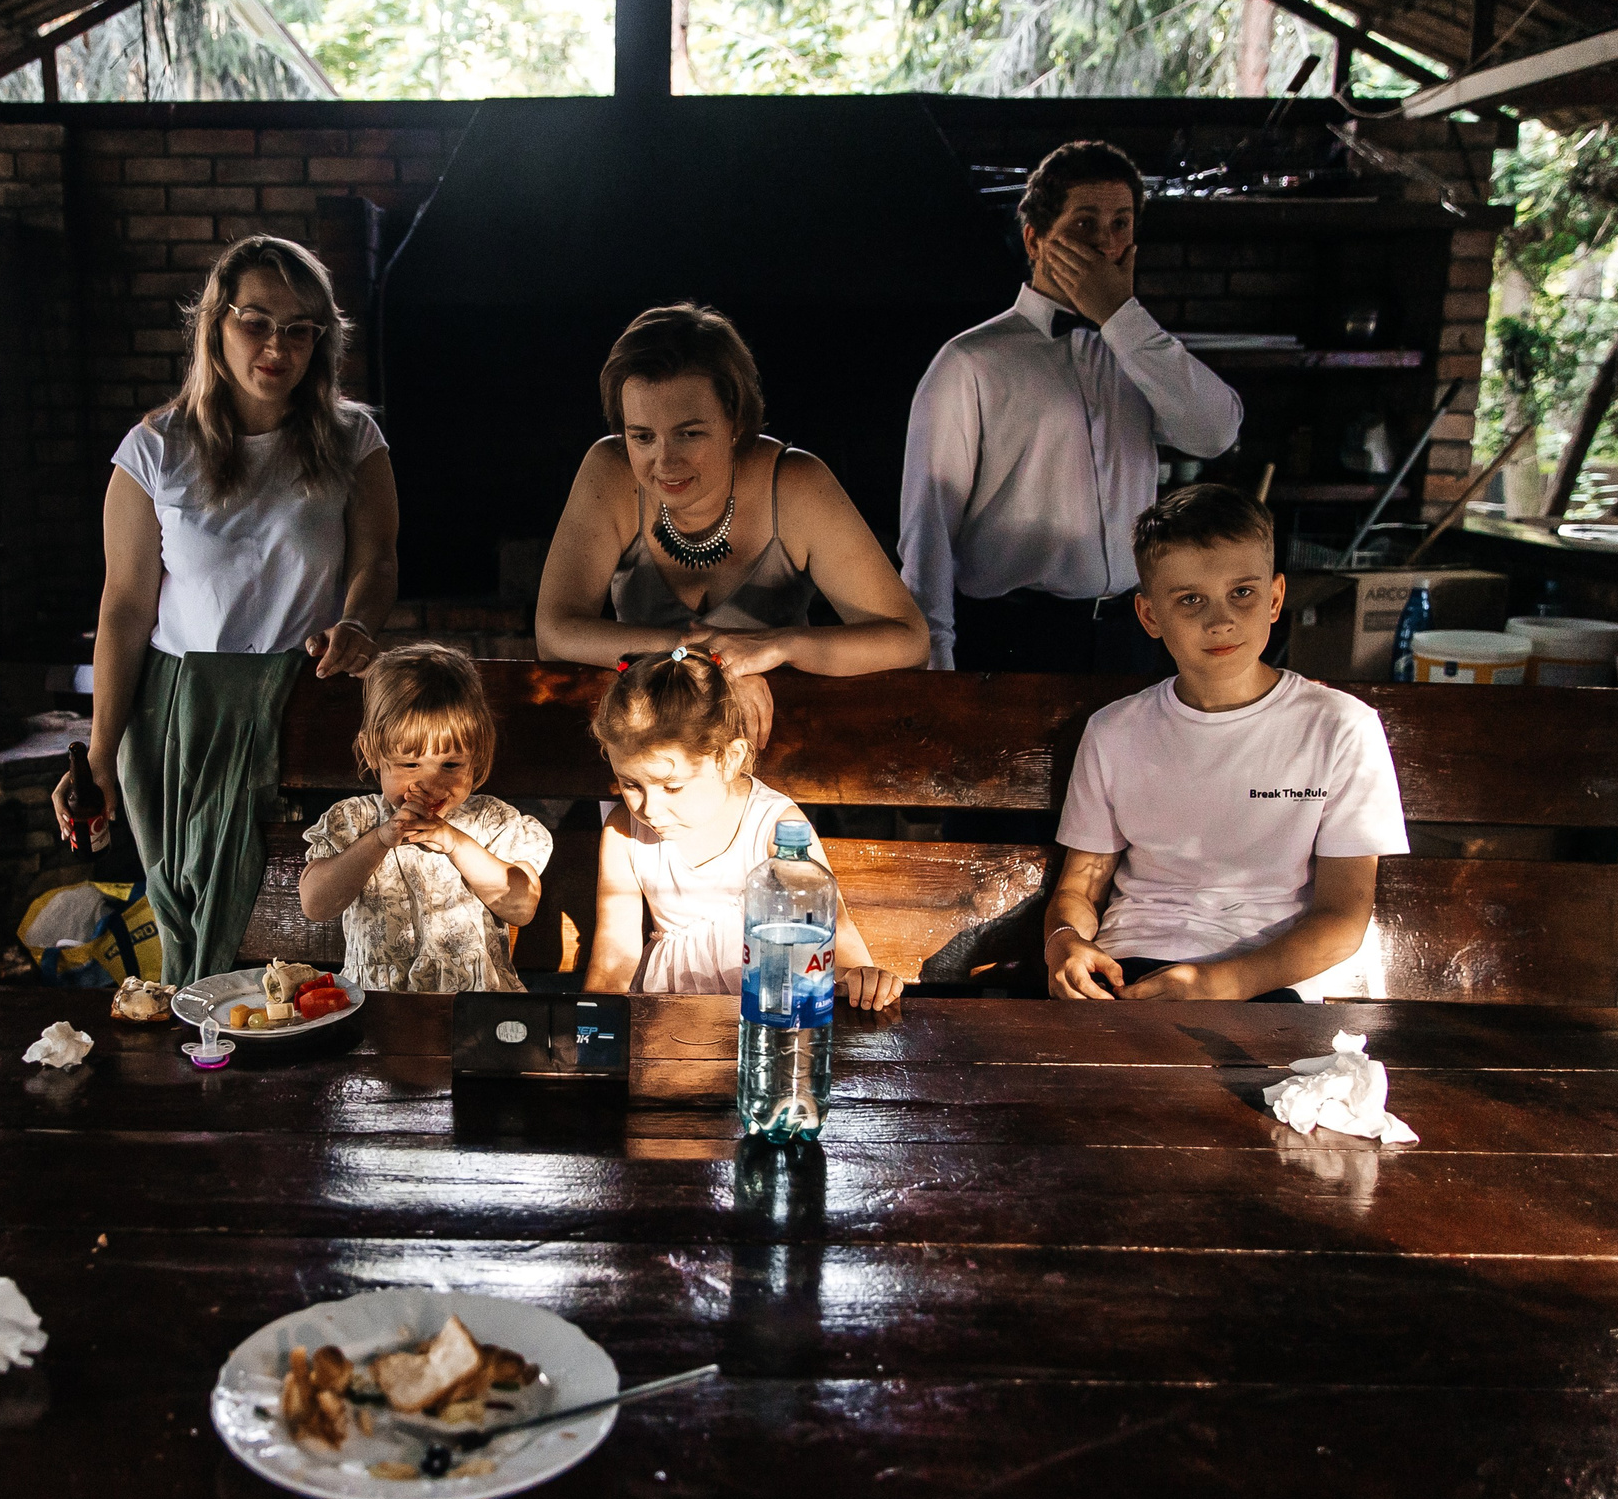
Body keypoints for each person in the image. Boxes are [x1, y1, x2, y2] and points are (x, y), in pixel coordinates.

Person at [53, 235, 399, 985]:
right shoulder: (154, 448)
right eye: (257, 321)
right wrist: (102, 751)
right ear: (216, 325)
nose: (278, 345)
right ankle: (200, 1059)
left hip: (303, 704)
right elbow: (123, 610)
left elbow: (378, 560)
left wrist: (360, 624)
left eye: (301, 328)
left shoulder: (352, 440)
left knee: (308, 927)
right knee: (190, 912)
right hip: (180, 719)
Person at [1042, 485, 1406, 1003]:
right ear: (1149, 616)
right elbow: (1079, 887)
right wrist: (1065, 945)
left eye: (1242, 592)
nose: (1221, 620)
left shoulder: (1341, 728)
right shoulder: (1114, 730)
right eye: (1191, 599)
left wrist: (1215, 983)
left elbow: (1342, 918)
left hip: (1270, 977)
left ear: (1276, 598)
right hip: (1129, 971)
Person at [900, 139, 1245, 675]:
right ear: (1035, 240)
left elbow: (1215, 432)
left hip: (1133, 632)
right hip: (1014, 638)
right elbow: (928, 531)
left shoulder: (1140, 354)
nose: (1106, 245)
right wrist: (934, 661)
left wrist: (1121, 318)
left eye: (1121, 224)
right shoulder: (969, 361)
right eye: (1085, 224)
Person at [538, 302, 928, 745]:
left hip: (773, 753)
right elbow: (554, 633)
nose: (664, 462)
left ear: (736, 421)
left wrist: (779, 646)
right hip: (642, 760)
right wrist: (705, 660)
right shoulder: (609, 471)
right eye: (642, 436)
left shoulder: (797, 484)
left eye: (689, 433)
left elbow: (909, 641)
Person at [585, 648, 904, 1010]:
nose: (650, 809)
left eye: (671, 787)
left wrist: (860, 976)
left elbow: (837, 943)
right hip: (670, 1014)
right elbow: (613, 961)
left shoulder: (776, 827)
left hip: (768, 1018)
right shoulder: (624, 833)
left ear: (729, 759)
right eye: (630, 785)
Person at [299, 643, 553, 993]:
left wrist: (456, 843)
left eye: (451, 764)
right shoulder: (355, 820)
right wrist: (379, 841)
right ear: (373, 752)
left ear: (477, 755)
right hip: (379, 1006)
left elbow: (522, 906)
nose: (431, 783)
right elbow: (315, 904)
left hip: (474, 1008)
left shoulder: (489, 821)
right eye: (409, 765)